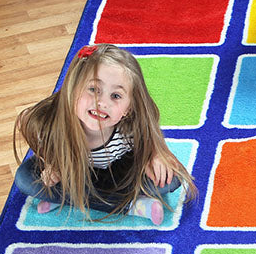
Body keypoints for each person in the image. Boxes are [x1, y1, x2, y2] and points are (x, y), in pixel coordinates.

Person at [13, 43, 196, 224]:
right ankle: (133, 206)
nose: (102, 102)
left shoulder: (129, 127)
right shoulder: (53, 121)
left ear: (128, 108)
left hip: (118, 174)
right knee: (25, 178)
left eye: (116, 96)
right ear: (73, 89)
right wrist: (51, 164)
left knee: (170, 179)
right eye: (93, 89)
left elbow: (151, 132)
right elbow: (27, 122)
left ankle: (65, 198)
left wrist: (154, 155)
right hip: (73, 171)